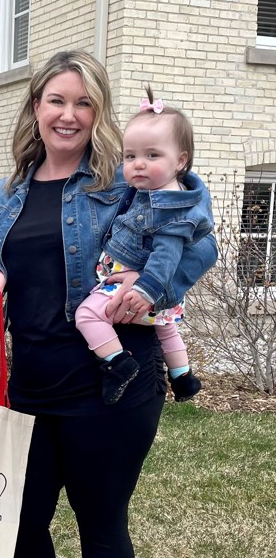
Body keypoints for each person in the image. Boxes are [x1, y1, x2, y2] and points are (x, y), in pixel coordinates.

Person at [0, 50, 217, 558]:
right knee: (22, 526)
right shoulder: (8, 191)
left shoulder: (124, 184)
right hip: (33, 383)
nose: (68, 114)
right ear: (36, 107)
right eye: (55, 100)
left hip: (113, 381)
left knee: (99, 525)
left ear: (99, 111)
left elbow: (199, 237)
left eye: (82, 103)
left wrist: (150, 288)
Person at [74, 86, 214, 405]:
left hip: (134, 285)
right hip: (149, 289)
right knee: (165, 327)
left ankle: (117, 364)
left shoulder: (169, 208)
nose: (138, 164)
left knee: (88, 316)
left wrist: (146, 289)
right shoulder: (151, 189)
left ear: (181, 161)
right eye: (130, 156)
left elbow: (168, 254)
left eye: (152, 155)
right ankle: (183, 377)